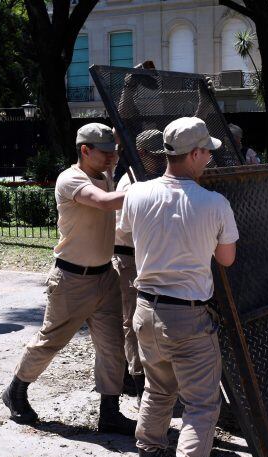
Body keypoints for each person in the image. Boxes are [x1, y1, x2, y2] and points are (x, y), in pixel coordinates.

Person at [118, 117, 238, 457]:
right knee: (203, 403)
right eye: (208, 153)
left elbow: (126, 238)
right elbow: (226, 258)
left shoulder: (136, 194)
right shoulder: (215, 203)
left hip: (146, 311)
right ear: (195, 153)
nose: (210, 160)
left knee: (158, 389)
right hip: (187, 315)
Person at [2, 123, 136, 437]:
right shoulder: (71, 178)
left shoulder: (103, 173)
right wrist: (148, 189)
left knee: (112, 347)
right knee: (50, 341)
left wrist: (123, 114)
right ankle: (16, 390)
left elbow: (115, 141)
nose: (112, 157)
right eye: (105, 153)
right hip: (72, 280)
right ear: (85, 151)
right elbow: (103, 202)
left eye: (112, 152)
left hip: (105, 277)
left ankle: (110, 412)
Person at [113, 128, 167, 403]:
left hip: (149, 256)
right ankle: (137, 378)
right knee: (132, 319)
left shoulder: (151, 179)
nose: (161, 161)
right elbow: (126, 228)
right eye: (156, 157)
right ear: (142, 153)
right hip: (130, 257)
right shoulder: (131, 182)